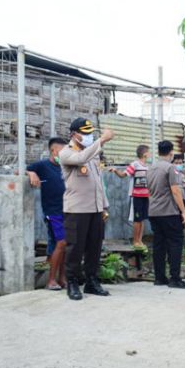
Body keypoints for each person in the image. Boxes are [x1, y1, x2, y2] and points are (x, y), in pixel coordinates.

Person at [58, 118, 115, 300]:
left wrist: (104, 206)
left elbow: (99, 182)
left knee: (94, 247)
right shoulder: (66, 153)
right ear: (74, 134)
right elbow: (81, 158)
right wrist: (102, 140)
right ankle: (72, 283)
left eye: (91, 133)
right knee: (75, 248)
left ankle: (91, 281)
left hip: (95, 209)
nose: (88, 136)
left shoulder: (94, 154)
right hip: (77, 210)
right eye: (85, 133)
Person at [147, 140, 185, 289]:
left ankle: (159, 277)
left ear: (158, 151)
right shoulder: (170, 168)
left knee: (159, 244)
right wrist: (184, 212)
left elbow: (149, 191)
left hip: (154, 211)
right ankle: (175, 278)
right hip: (169, 212)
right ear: (171, 152)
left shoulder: (151, 168)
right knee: (175, 243)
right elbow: (175, 191)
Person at [26, 137, 68, 290]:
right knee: (61, 243)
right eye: (63, 151)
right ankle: (51, 280)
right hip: (53, 211)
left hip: (69, 210)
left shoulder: (66, 166)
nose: (66, 154)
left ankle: (62, 279)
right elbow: (21, 169)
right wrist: (31, 174)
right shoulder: (43, 165)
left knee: (66, 245)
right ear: (53, 151)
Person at [110, 145, 152, 252]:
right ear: (144, 154)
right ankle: (135, 241)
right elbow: (123, 175)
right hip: (136, 196)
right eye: (149, 152)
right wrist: (115, 170)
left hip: (145, 196)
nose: (150, 154)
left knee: (142, 219)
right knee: (137, 219)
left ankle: (140, 240)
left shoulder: (147, 166)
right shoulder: (135, 164)